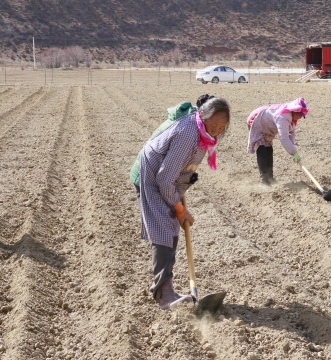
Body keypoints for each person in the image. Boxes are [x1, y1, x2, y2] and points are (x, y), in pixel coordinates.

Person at [138, 98, 230, 310]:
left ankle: (167, 288)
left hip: (165, 178)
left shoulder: (203, 135)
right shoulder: (188, 135)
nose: (216, 130)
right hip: (152, 177)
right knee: (164, 230)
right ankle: (164, 295)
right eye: (213, 125)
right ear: (202, 117)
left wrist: (183, 187)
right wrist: (179, 209)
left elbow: (181, 169)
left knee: (170, 230)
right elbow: (164, 178)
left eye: (221, 127)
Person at [130, 94, 215, 194]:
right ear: (203, 114)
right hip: (146, 177)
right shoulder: (187, 130)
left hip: (155, 175)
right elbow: (167, 175)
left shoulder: (191, 122)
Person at [246, 98, 308, 187]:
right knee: (263, 150)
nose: (301, 117)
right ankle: (264, 181)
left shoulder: (292, 118)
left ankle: (270, 178)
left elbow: (291, 133)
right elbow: (283, 138)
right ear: (294, 111)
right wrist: (294, 153)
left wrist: (293, 152)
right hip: (257, 121)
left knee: (269, 150)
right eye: (300, 115)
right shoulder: (283, 117)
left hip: (266, 126)